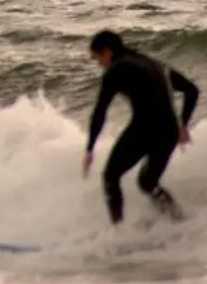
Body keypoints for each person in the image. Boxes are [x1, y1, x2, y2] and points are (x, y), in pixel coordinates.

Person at [81, 30, 199, 224]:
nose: (99, 64)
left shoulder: (116, 69)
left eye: (97, 58)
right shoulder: (153, 64)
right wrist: (183, 124)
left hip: (145, 128)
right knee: (147, 182)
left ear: (107, 51)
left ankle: (118, 231)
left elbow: (100, 111)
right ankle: (180, 221)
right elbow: (191, 90)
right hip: (169, 130)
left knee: (110, 176)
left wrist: (89, 149)